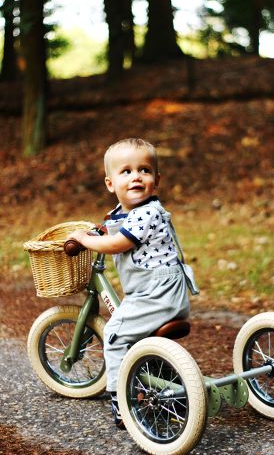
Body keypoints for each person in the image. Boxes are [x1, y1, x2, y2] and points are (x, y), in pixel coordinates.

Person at [68, 138, 190, 428]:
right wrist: (94, 230)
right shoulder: (124, 212)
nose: (136, 176)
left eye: (144, 170)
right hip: (159, 292)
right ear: (111, 184)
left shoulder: (145, 213)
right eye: (126, 171)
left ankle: (122, 402)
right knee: (133, 332)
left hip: (157, 294)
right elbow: (109, 224)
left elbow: (120, 243)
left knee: (113, 335)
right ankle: (164, 382)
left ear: (156, 180)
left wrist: (87, 241)